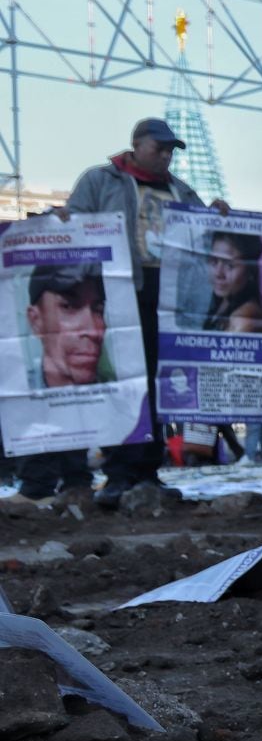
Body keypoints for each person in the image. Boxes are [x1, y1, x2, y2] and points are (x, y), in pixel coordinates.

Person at [56, 117, 229, 509]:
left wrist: (219, 215)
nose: (166, 156)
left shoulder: (180, 190)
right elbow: (76, 223)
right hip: (117, 294)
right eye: (159, 148)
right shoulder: (102, 181)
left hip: (168, 298)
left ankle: (148, 470)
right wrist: (65, 221)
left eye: (170, 151)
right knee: (123, 382)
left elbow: (206, 235)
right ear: (136, 145)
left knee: (156, 383)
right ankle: (119, 472)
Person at [14, 266, 108, 502]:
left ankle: (75, 482)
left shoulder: (117, 392)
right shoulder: (18, 388)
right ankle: (38, 485)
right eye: (69, 306)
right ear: (36, 320)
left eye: (98, 309)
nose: (92, 330)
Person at [202, 232, 262, 333]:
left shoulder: (242, 320)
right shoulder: (225, 300)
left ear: (250, 269)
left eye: (229, 265)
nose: (218, 273)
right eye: (214, 261)